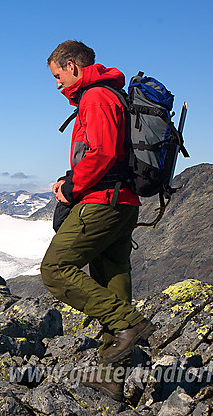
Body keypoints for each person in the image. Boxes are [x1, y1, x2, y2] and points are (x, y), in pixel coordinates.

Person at [40, 40, 155, 400]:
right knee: (112, 282)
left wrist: (71, 186)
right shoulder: (108, 94)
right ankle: (111, 376)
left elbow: (101, 152)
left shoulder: (96, 98)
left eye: (58, 76)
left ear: (72, 67)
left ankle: (130, 324)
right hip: (123, 202)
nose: (57, 84)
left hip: (102, 202)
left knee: (55, 268)